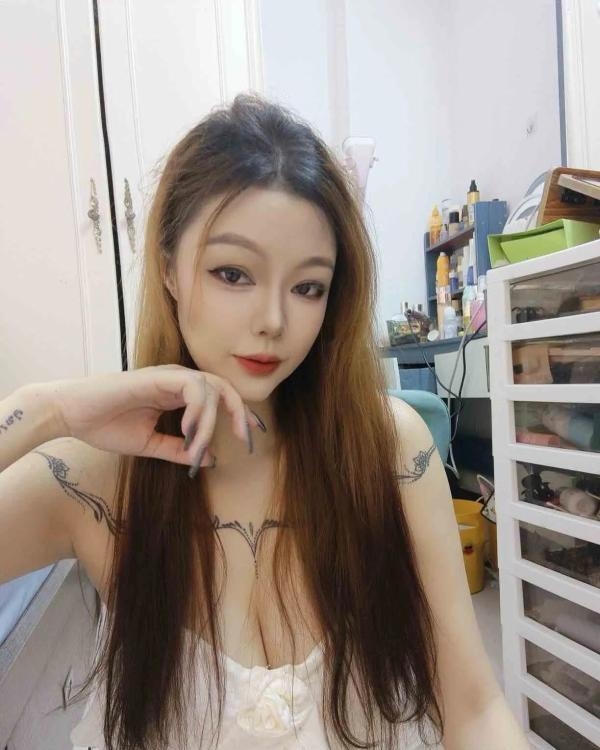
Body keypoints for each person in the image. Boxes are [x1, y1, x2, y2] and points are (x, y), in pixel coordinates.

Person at [0, 94, 529, 750]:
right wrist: (46, 409)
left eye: (308, 287)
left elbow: (474, 710)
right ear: (168, 269)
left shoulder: (388, 450)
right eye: (233, 273)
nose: (274, 321)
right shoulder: (95, 477)